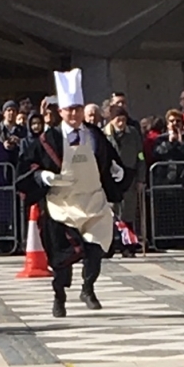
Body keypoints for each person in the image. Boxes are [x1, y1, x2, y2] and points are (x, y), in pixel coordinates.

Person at [35, 68, 126, 317]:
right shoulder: (49, 138)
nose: (74, 114)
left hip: (93, 202)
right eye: (69, 110)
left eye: (78, 109)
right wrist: (42, 176)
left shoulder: (94, 134)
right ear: (61, 112)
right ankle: (59, 295)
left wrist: (115, 169)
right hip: (62, 206)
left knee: (95, 249)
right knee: (63, 257)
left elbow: (107, 157)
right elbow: (30, 165)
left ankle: (88, 288)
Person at [105, 104, 145, 245]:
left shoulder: (133, 134)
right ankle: (112, 243)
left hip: (129, 175)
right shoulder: (104, 134)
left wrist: (141, 178)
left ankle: (128, 244)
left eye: (124, 120)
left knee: (128, 210)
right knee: (112, 210)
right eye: (118, 120)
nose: (121, 123)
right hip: (111, 176)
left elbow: (140, 156)